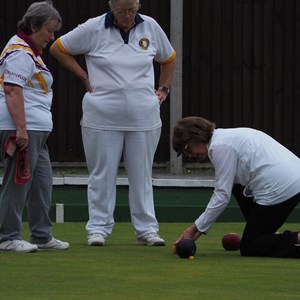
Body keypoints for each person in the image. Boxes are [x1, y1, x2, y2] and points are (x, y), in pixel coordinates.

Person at [50, 0, 176, 246]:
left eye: (131, 10)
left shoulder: (150, 26)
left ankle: (147, 230)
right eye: (121, 11)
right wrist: (83, 75)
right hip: (101, 116)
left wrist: (163, 89)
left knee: (142, 175)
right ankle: (98, 229)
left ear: (137, 6)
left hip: (144, 117)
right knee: (102, 175)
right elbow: (58, 48)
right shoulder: (93, 28)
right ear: (111, 7)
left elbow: (168, 58)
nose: (127, 16)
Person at [172, 116, 300, 258]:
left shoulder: (219, 147)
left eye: (187, 149)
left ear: (196, 137)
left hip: (280, 186)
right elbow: (230, 187)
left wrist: (195, 228)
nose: (189, 155)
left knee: (251, 246)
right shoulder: (226, 138)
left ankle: (296, 239)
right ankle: (267, 234)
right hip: (291, 179)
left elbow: (221, 196)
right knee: (237, 187)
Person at [0, 1, 69, 253]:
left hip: (36, 130)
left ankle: (41, 234)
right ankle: (7, 236)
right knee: (17, 182)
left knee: (41, 182)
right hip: (22, 127)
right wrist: (21, 129)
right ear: (33, 25)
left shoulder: (30, 52)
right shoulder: (19, 52)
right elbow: (12, 89)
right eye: (49, 31)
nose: (52, 37)